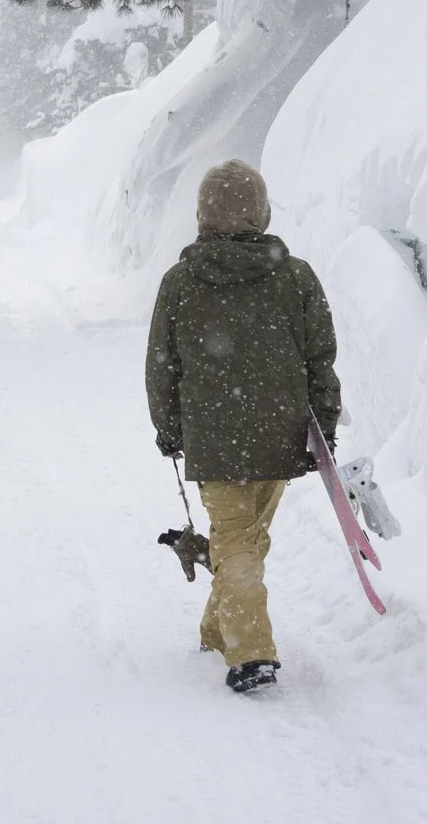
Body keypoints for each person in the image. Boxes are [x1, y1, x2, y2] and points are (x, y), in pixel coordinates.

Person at [145, 159, 341, 694]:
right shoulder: (295, 276)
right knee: (244, 539)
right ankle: (224, 632)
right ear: (261, 211)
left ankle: (249, 651)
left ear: (204, 214)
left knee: (238, 541)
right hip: (280, 433)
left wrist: (169, 428)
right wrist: (322, 424)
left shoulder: (182, 281)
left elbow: (162, 363)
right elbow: (320, 358)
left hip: (214, 435)